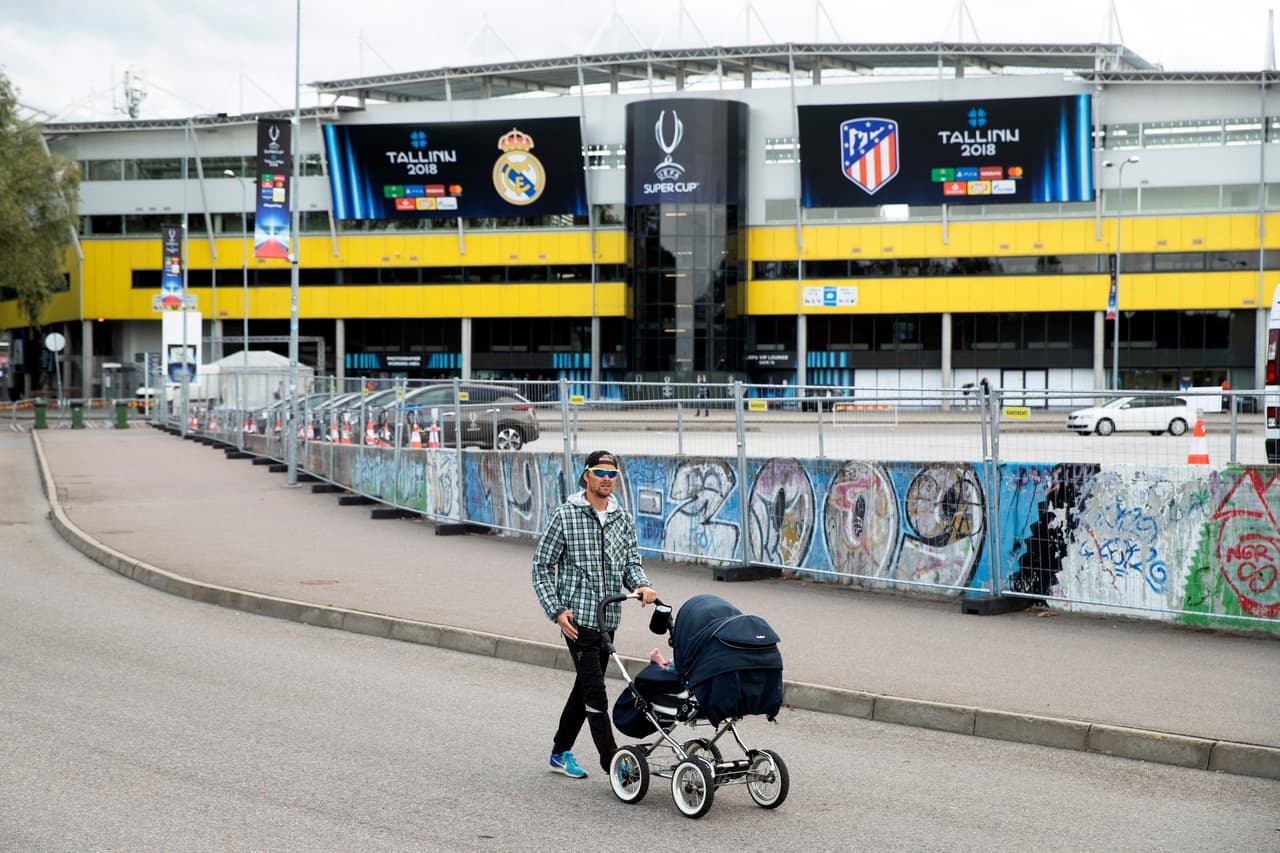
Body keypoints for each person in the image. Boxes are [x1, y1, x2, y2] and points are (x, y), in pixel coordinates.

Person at [532, 449, 657, 779]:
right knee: (595, 692)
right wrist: (556, 610)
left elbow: (630, 563)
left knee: (585, 687)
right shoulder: (566, 516)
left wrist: (642, 585)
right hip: (577, 620)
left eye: (612, 474)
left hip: (608, 620)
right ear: (586, 475)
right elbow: (541, 566)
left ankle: (559, 752)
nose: (606, 479)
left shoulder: (621, 518)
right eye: (600, 472)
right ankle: (613, 762)